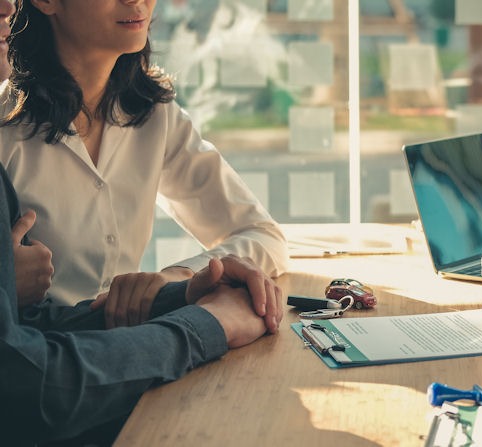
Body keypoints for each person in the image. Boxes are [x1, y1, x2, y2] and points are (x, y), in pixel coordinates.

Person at [0, 3, 279, 443]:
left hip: (138, 367)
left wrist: (177, 278)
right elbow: (20, 364)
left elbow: (262, 235)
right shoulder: (5, 132)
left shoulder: (153, 114)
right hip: (58, 392)